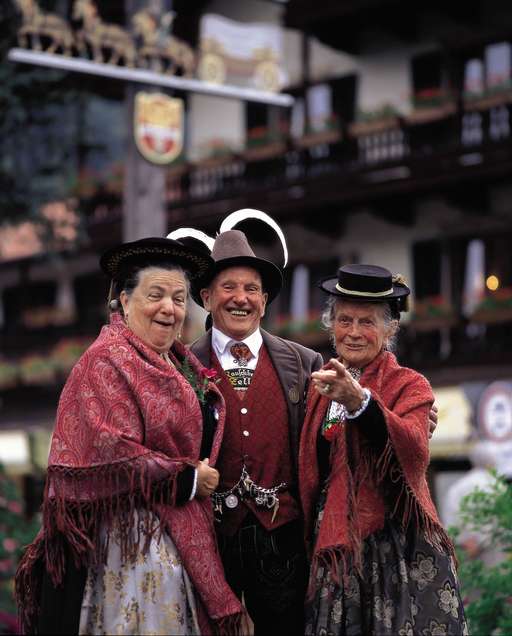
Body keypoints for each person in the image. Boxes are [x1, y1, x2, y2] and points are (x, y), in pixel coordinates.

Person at [15, 237, 245, 635]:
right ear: (123, 301)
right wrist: (188, 478)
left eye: (178, 298)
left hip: (179, 535)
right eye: (154, 295)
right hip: (128, 547)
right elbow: (110, 449)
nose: (169, 308)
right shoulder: (106, 361)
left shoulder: (178, 362)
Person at [299, 264, 467, 636]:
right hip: (334, 547)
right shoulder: (318, 388)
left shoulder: (410, 385)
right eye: (344, 320)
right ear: (331, 325)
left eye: (367, 322)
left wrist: (361, 403)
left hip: (394, 550)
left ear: (390, 328)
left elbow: (414, 449)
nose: (354, 332)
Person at [186, 223, 324, 636]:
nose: (241, 298)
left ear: (264, 301)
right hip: (211, 540)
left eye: (252, 288)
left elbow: (330, 440)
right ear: (207, 298)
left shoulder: (305, 363)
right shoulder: (181, 367)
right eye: (228, 287)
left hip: (283, 539)